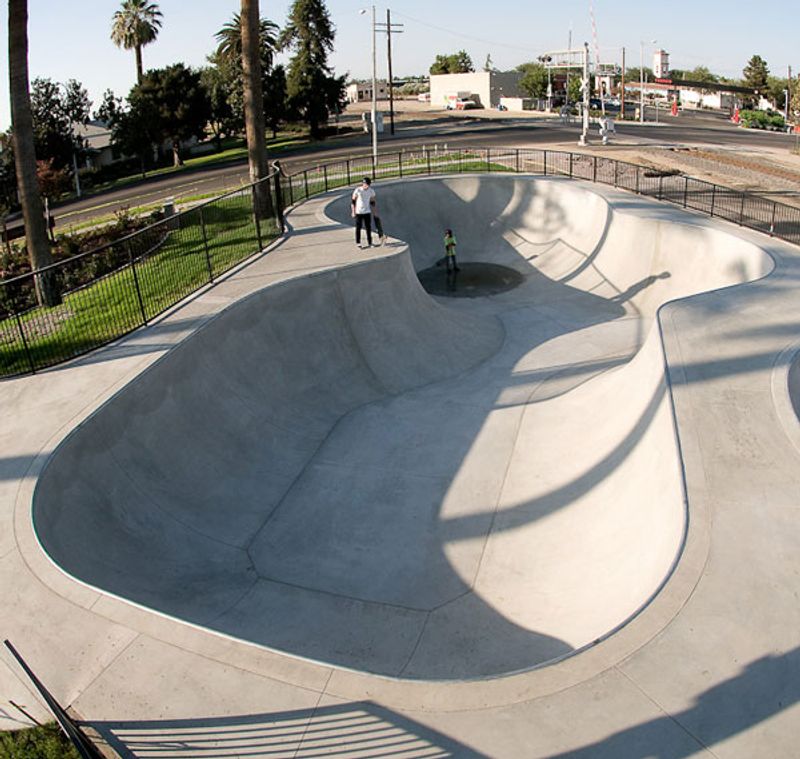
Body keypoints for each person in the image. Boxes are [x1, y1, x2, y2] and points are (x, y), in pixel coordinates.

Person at [351, 177, 386, 248]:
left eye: (367, 184)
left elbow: (372, 202)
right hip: (359, 212)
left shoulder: (371, 191)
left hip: (367, 212)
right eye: (364, 184)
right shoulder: (358, 190)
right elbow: (353, 202)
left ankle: (370, 243)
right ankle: (358, 243)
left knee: (368, 228)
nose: (365, 185)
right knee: (358, 228)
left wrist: (375, 212)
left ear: (369, 185)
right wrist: (353, 211)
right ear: (362, 183)